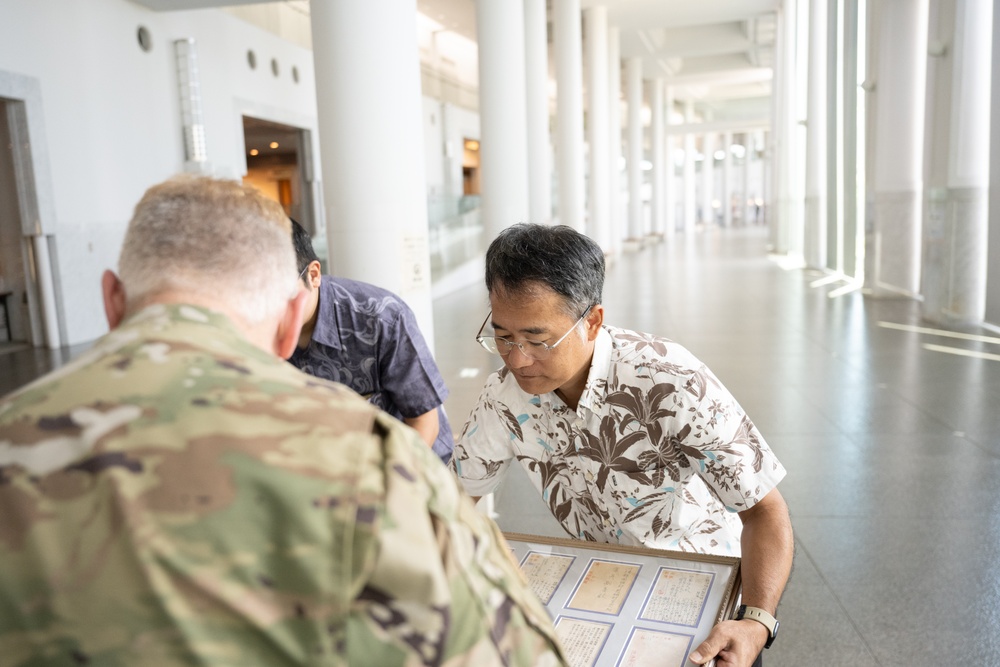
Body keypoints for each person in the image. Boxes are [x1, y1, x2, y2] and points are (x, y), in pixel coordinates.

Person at [0, 177, 566, 667]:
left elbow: (425, 415)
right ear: (291, 314)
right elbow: (509, 651)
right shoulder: (366, 460)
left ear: (112, 298)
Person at [451, 223, 794, 667]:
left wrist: (756, 621)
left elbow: (765, 510)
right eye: (502, 336)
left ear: (591, 321)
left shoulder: (671, 381)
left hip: (703, 590)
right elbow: (453, 499)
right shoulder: (505, 398)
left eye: (537, 339)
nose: (517, 359)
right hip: (601, 583)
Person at [289, 219, 453, 464]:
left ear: (313, 275)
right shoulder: (248, 326)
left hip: (408, 465)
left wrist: (390, 487)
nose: (266, 310)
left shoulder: (382, 318)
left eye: (279, 294)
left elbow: (424, 421)